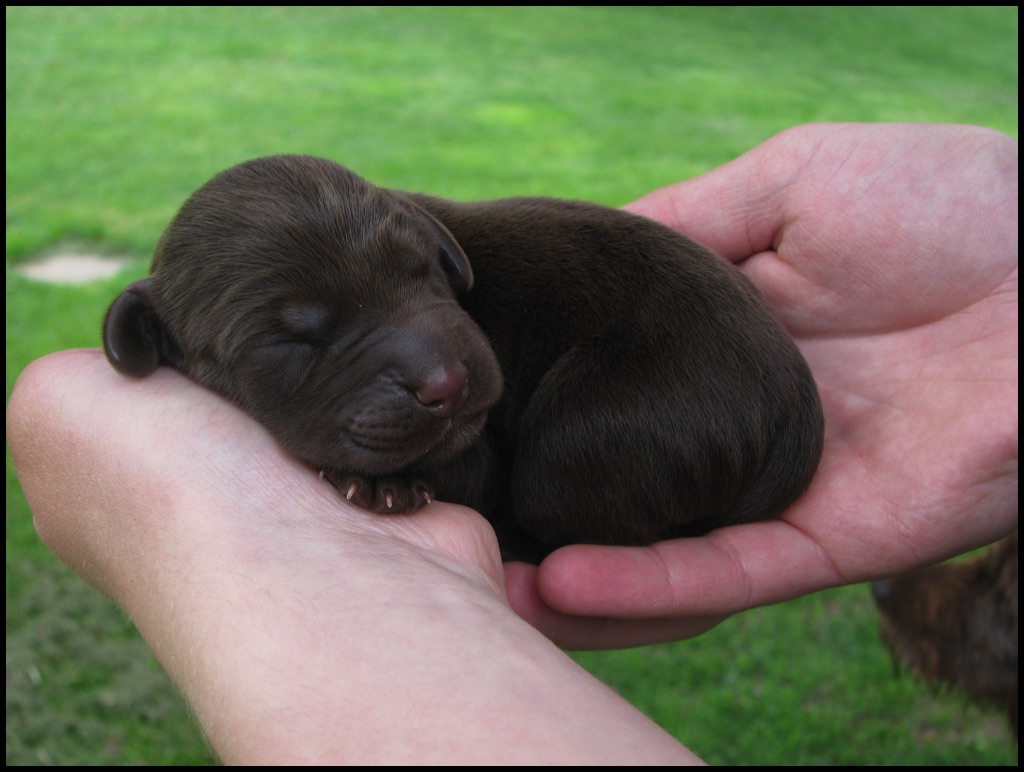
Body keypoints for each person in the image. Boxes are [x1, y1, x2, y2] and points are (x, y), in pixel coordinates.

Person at [7, 122, 1017, 764]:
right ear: (158, 343)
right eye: (299, 340)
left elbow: (470, 457)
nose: (444, 371)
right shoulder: (178, 322)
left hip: (662, 378)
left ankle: (563, 513)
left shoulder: (441, 268)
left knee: (547, 485)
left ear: (430, 243)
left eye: (418, 280)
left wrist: (411, 480)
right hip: (707, 384)